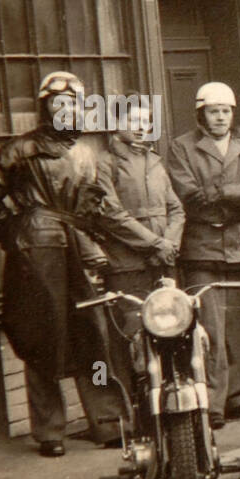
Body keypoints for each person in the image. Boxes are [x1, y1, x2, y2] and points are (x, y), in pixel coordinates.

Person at [0, 71, 158, 456]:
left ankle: (106, 423)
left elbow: (96, 207)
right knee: (42, 335)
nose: (67, 110)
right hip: (38, 252)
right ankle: (50, 431)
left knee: (92, 331)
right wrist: (16, 231)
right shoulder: (20, 150)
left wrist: (101, 246)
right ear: (45, 108)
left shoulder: (85, 153)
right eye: (59, 103)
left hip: (80, 247)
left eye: (74, 104)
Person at [167, 81, 240, 429]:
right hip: (202, 248)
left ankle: (237, 394)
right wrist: (237, 197)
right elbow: (190, 196)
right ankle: (212, 402)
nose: (220, 118)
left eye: (226, 111)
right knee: (209, 329)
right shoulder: (181, 148)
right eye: (214, 111)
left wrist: (221, 194)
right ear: (202, 114)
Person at [94, 95, 184, 408]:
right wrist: (156, 243)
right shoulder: (104, 164)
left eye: (146, 121)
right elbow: (112, 215)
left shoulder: (155, 161)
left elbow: (176, 208)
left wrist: (170, 243)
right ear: (115, 125)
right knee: (130, 338)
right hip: (127, 267)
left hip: (162, 264)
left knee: (171, 330)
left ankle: (169, 405)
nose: (141, 127)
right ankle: (131, 410)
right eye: (133, 120)